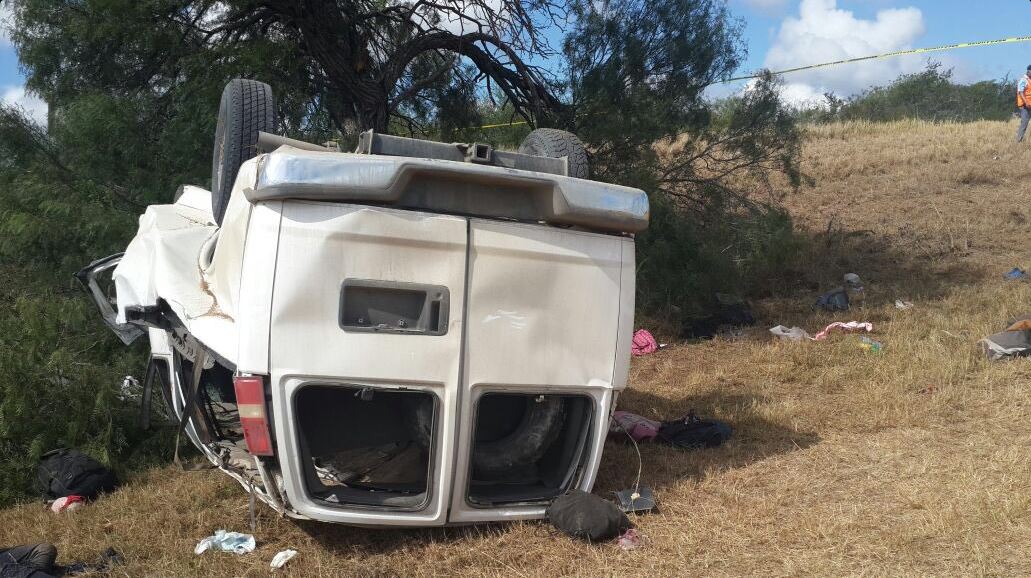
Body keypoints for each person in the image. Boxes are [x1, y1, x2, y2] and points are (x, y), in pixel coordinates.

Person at [1016, 65, 1031, 143]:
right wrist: (1026, 102)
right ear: (1028, 71)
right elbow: (1021, 92)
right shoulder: (1023, 80)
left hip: (1030, 104)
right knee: (1024, 123)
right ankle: (1018, 141)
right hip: (1025, 106)